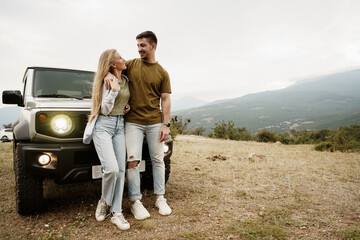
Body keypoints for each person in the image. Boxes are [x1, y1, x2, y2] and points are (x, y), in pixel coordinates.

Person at [105, 31, 172, 220]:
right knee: (133, 161)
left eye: (143, 45)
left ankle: (160, 198)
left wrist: (165, 124)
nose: (139, 49)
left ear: (153, 46)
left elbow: (165, 99)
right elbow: (112, 70)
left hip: (154, 122)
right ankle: (135, 201)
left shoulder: (162, 73)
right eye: (138, 46)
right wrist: (107, 76)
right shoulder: (132, 64)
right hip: (133, 122)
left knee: (158, 160)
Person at [83, 49, 131, 230]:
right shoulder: (107, 81)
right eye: (120, 58)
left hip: (120, 125)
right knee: (111, 169)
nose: (124, 59)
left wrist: (126, 105)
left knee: (120, 171)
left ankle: (116, 213)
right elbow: (104, 109)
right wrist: (113, 92)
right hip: (103, 125)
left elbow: (122, 101)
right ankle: (104, 200)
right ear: (112, 63)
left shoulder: (124, 80)